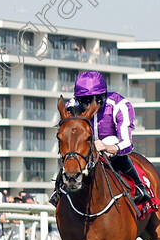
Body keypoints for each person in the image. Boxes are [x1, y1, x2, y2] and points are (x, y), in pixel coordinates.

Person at [49, 70, 149, 206]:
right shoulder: (72, 105)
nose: (86, 106)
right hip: (86, 151)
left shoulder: (119, 105)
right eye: (82, 101)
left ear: (101, 97)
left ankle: (139, 186)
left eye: (89, 101)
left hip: (111, 149)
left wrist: (107, 147)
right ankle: (59, 187)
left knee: (110, 140)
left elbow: (127, 144)